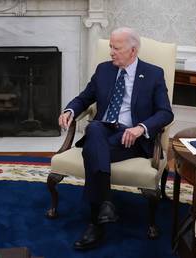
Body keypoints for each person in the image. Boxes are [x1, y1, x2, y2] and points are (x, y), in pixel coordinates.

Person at [58, 27, 174, 250]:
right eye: (110, 46)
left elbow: (165, 112)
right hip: (104, 131)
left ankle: (95, 224)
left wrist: (141, 128)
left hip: (132, 138)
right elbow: (84, 98)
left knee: (92, 148)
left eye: (116, 48)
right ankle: (106, 204)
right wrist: (70, 111)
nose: (111, 52)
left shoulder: (153, 74)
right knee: (94, 130)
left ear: (133, 50)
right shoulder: (104, 70)